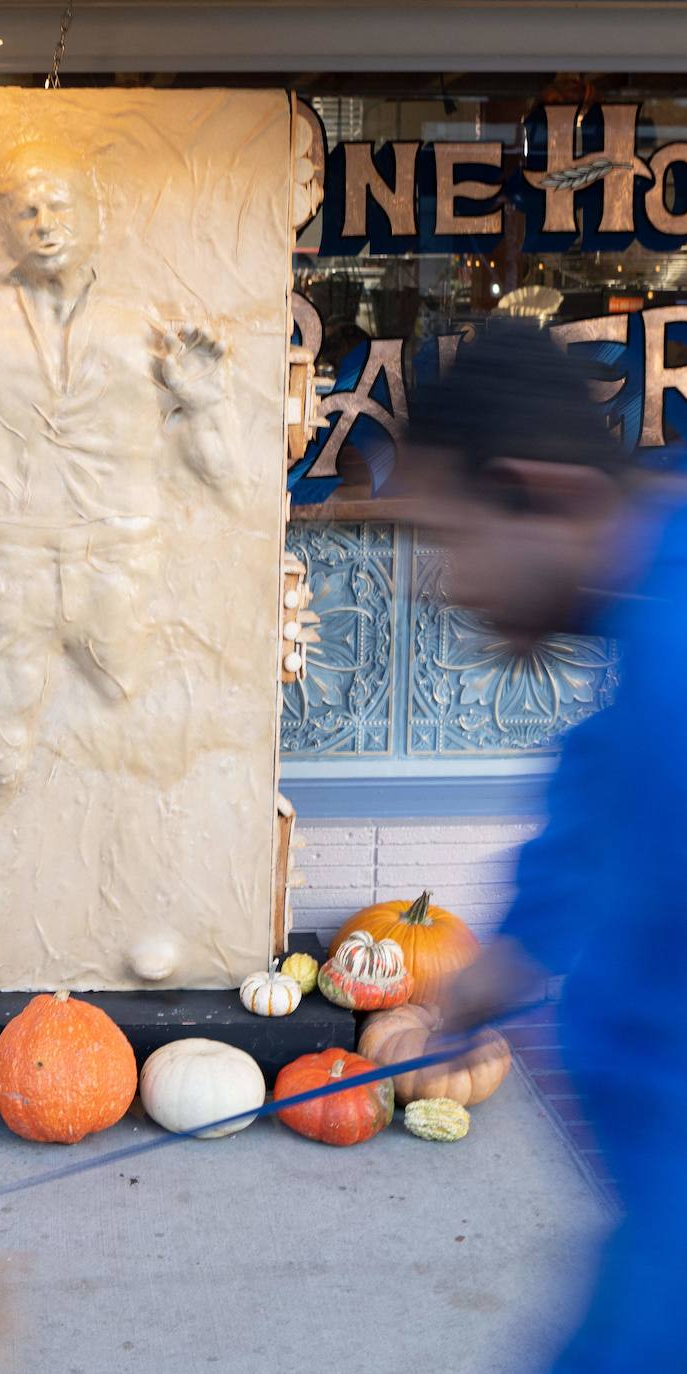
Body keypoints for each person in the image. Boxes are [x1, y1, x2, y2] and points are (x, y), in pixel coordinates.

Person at [405, 320, 687, 1372]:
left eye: (448, 538)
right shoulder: (643, 605)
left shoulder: (672, 670)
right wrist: (510, 956)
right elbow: (596, 798)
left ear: (541, 492)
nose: (442, 585)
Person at [0, 140, 243, 804]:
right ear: (3, 226)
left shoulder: (148, 330)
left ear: (95, 211)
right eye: (25, 211)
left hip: (119, 562)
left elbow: (226, 479)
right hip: (14, 566)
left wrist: (207, 401)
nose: (43, 223)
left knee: (129, 708)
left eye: (57, 205)